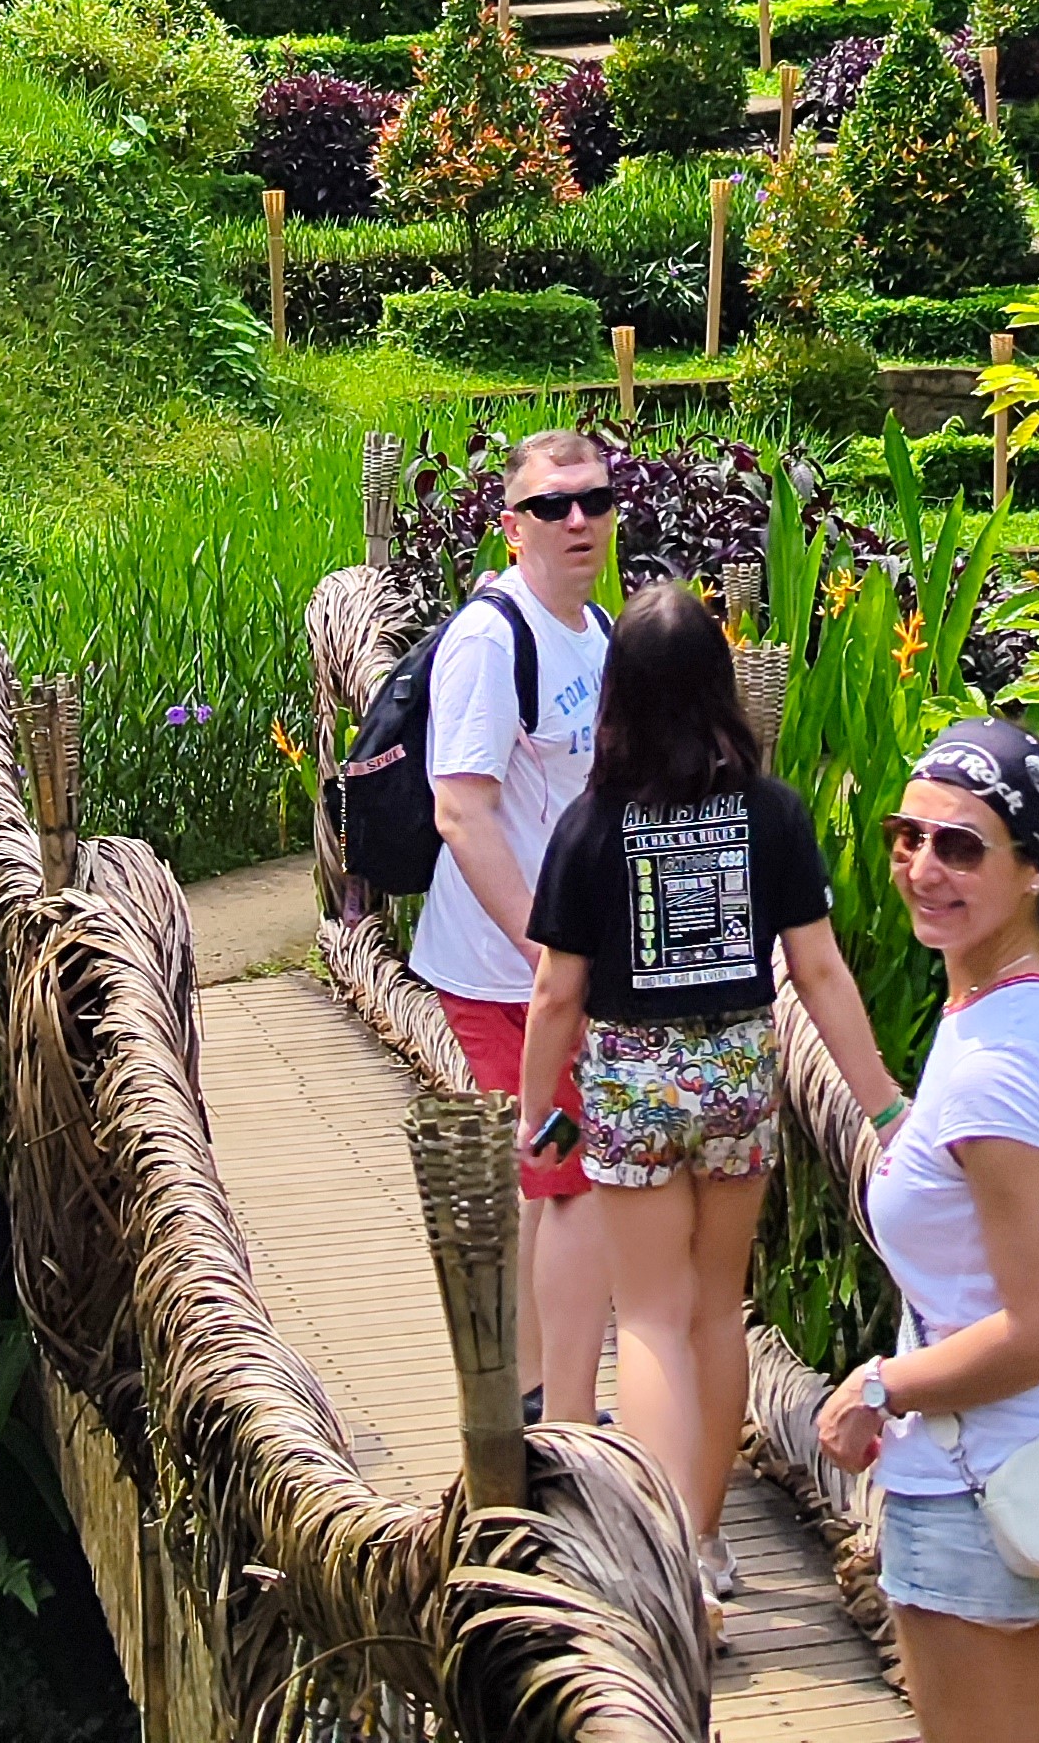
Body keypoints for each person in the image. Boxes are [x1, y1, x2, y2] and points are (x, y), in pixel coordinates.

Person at [519, 579, 904, 1639]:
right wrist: (882, 1105)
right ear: (719, 687)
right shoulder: (770, 814)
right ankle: (704, 1534)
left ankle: (663, 1560)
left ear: (620, 696)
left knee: (644, 1316)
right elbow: (817, 971)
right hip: (737, 1075)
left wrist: (535, 1111)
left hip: (633, 1083)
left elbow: (555, 994)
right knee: (713, 1309)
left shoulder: (593, 825)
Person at [813, 718, 1039, 1743]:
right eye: (906, 836)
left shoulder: (993, 1072)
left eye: (961, 847)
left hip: (983, 1500)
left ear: (1032, 869)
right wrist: (901, 1125)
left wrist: (878, 1387)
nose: (924, 868)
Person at [409, 425, 616, 1423]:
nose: (577, 520)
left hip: (565, 968)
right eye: (550, 505)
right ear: (512, 525)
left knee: (555, 1172)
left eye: (594, 500)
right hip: (507, 975)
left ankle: (539, 1394)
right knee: (567, 1176)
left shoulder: (598, 629)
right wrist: (549, 955)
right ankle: (555, 1409)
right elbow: (462, 810)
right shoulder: (493, 639)